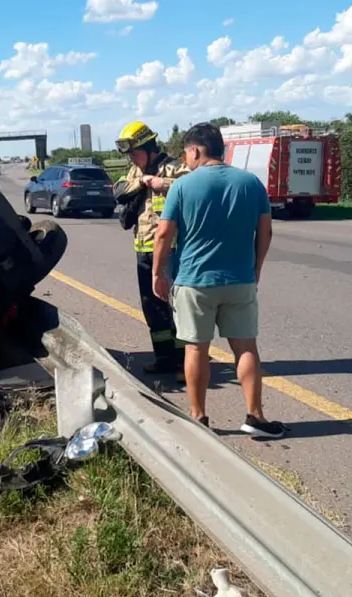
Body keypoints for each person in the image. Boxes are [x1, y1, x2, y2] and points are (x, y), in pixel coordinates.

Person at [151, 122, 287, 438]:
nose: (185, 159)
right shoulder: (251, 183)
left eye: (186, 153)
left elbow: (163, 233)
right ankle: (256, 417)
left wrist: (158, 273)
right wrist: (256, 268)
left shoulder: (183, 186)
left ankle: (199, 418)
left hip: (194, 281)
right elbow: (265, 230)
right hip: (240, 279)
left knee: (195, 350)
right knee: (246, 348)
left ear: (196, 150)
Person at [113, 121, 190, 380]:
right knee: (153, 308)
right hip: (143, 250)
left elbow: (192, 188)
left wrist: (163, 183)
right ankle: (164, 358)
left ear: (149, 148)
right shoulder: (135, 171)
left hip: (172, 249)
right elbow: (119, 190)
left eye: (135, 152)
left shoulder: (176, 168)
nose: (132, 158)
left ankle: (184, 364)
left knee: (177, 307)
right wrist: (143, 180)